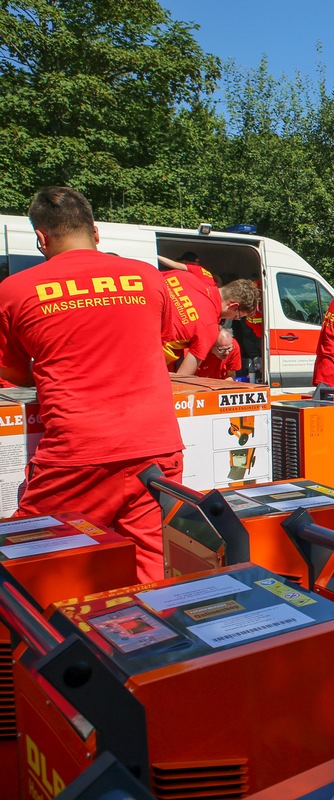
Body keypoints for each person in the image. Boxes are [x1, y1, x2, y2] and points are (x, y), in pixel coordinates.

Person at [0, 186, 184, 582]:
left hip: (77, 452)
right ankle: (157, 638)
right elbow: (162, 342)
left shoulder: (14, 291)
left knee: (31, 558)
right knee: (153, 559)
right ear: (96, 232)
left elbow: (13, 373)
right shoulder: (148, 278)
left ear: (41, 239)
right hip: (156, 446)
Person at [162, 273, 259, 376]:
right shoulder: (209, 328)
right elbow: (183, 376)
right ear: (233, 306)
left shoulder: (186, 277)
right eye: (236, 317)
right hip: (147, 355)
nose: (231, 319)